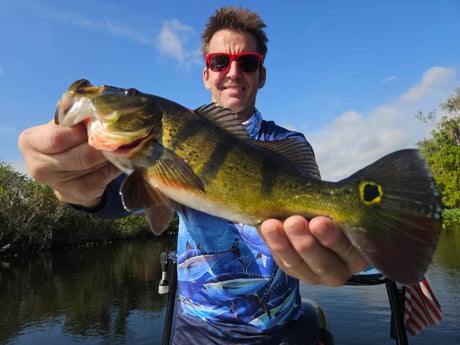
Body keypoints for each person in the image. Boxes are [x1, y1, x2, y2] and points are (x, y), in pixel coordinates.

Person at [18, 6, 368, 345]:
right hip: (198, 335)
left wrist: (345, 244)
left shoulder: (287, 144)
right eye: (219, 62)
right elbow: (114, 199)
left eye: (247, 63)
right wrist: (77, 190)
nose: (232, 72)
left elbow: (311, 227)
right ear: (206, 74)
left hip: (283, 332)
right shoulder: (161, 139)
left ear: (261, 75)